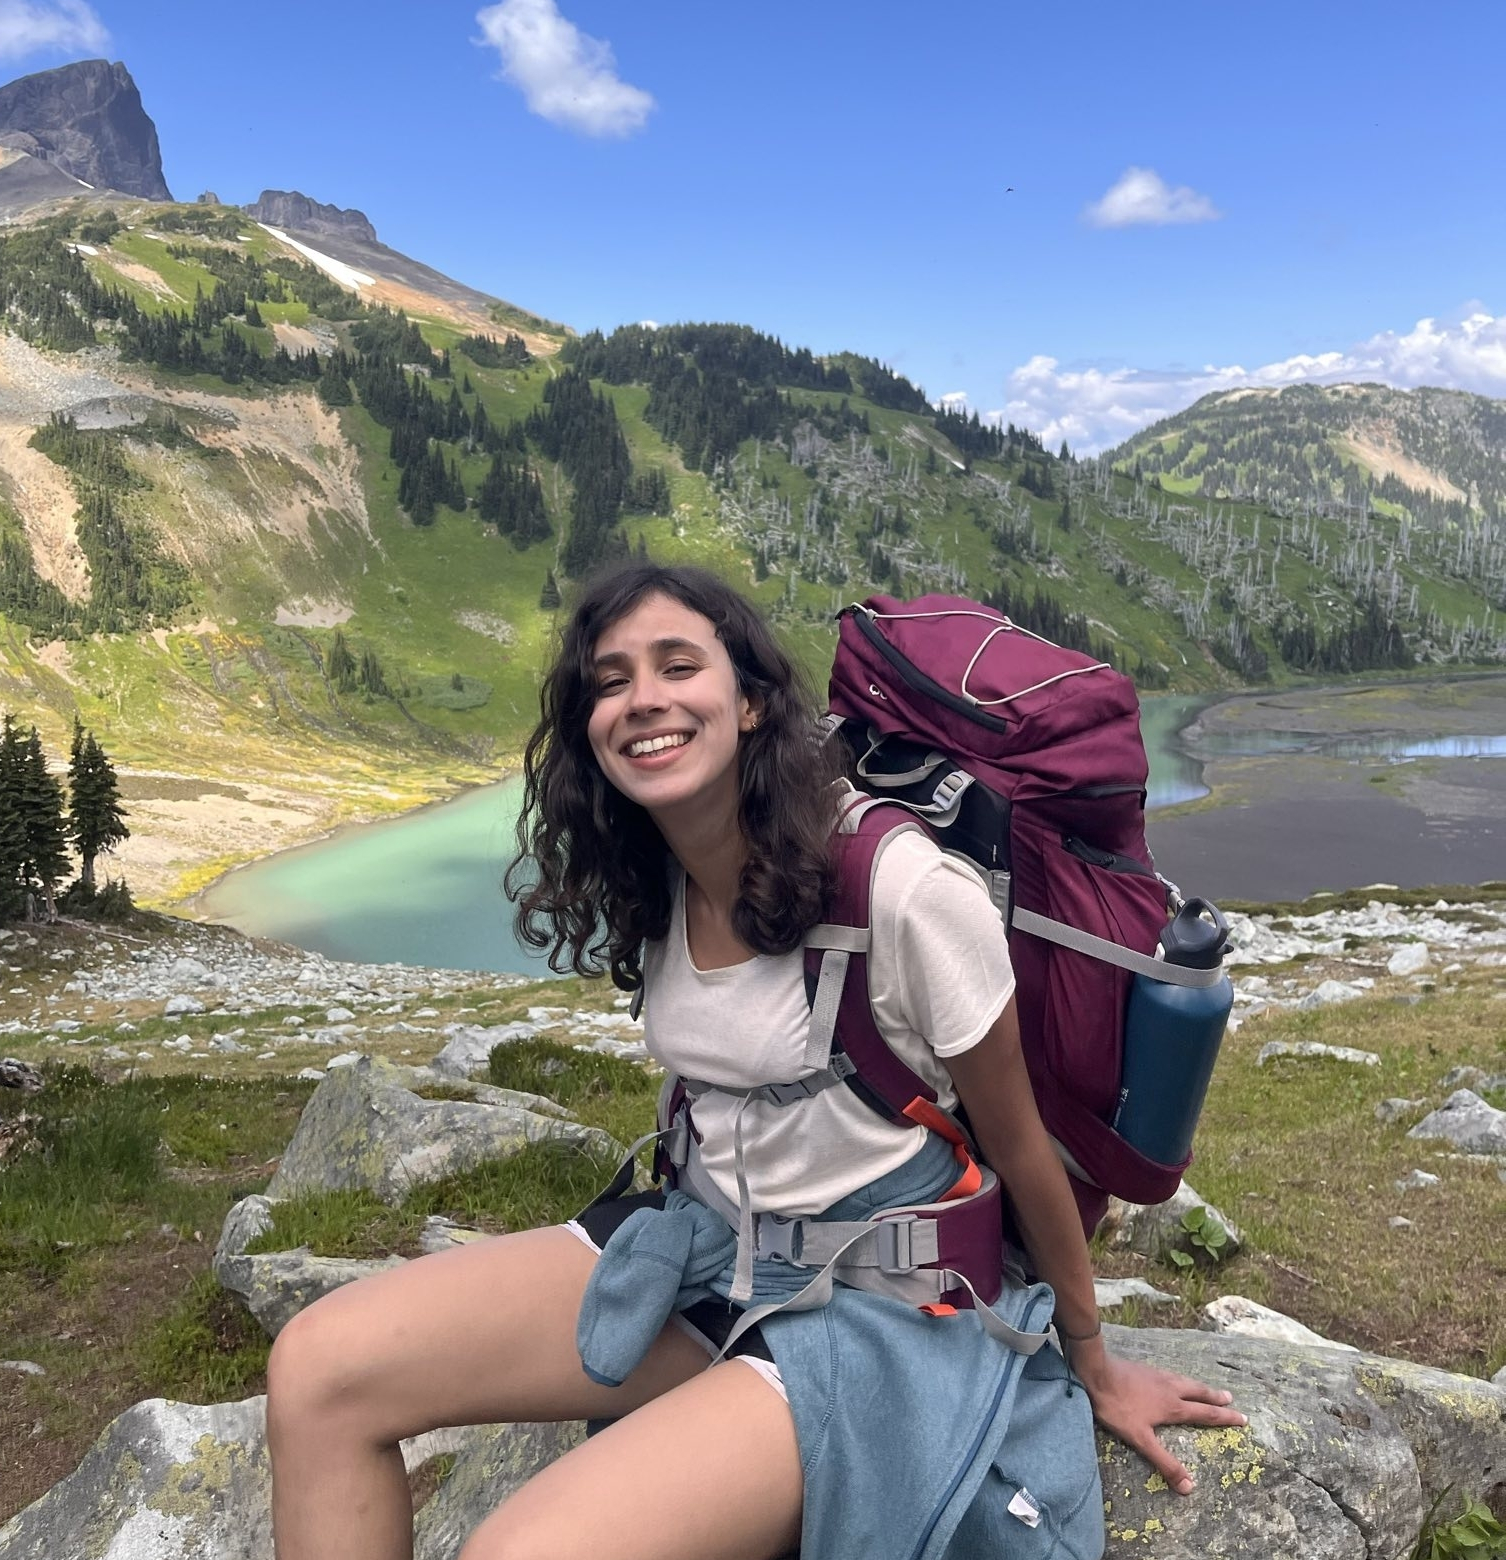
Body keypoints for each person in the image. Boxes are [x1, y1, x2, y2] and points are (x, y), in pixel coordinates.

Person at [266, 561, 1246, 1560]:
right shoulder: (659, 865)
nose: (642, 698)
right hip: (708, 1250)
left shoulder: (897, 887)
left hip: (882, 1309)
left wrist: (1093, 1358)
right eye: (608, 681)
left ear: (751, 704)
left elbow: (1023, 1150)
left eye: (677, 664)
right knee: (316, 1369)